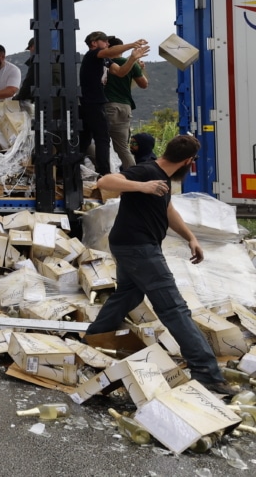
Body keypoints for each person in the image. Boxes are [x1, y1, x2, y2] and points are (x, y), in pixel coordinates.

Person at [83, 135, 238, 398]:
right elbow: (105, 181)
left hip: (133, 246)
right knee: (174, 308)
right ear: (189, 161)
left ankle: (94, 337)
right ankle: (207, 374)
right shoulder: (147, 170)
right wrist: (142, 187)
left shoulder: (162, 179)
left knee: (129, 294)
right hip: (138, 248)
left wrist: (190, 237)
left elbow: (168, 211)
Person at [79, 31, 148, 175]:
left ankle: (76, 167)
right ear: (94, 43)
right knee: (102, 138)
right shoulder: (92, 55)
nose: (107, 43)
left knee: (86, 140)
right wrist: (131, 45)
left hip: (98, 102)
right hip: (92, 101)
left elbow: (121, 72)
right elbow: (109, 51)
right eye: (104, 41)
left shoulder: (106, 60)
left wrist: (132, 58)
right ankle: (105, 173)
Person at [104, 36, 149, 170]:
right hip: (125, 107)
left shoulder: (103, 62)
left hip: (108, 106)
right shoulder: (131, 64)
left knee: (101, 143)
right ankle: (133, 176)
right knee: (123, 147)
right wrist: (138, 69)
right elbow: (144, 84)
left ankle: (105, 174)